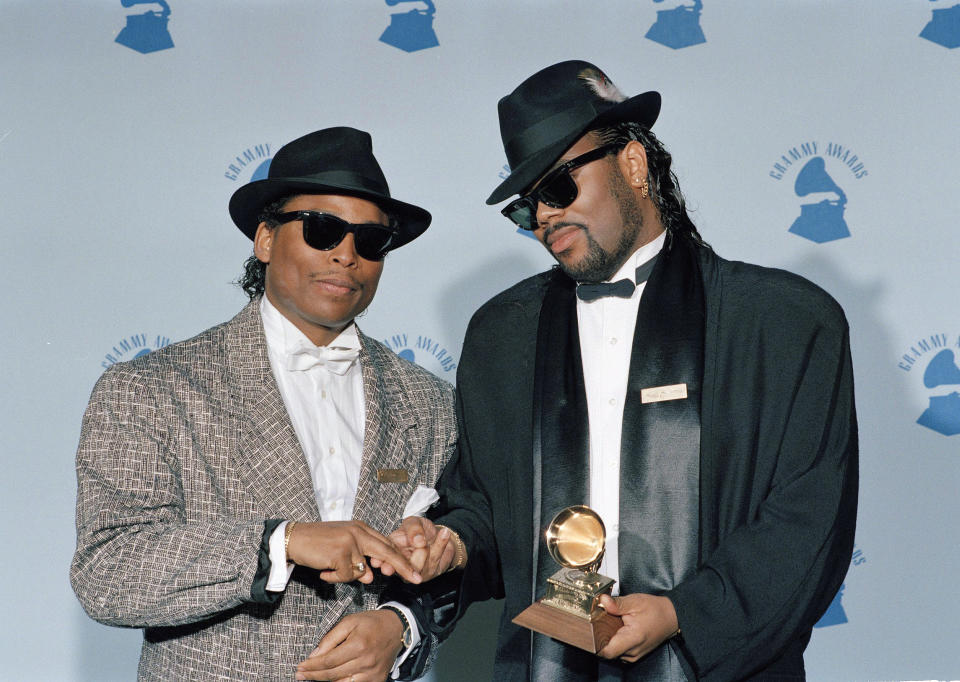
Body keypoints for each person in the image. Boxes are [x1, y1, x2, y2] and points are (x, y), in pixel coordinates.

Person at [386, 60, 859, 681]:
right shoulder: (502, 334)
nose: (545, 219)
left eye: (559, 189)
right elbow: (484, 506)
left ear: (634, 165)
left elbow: (806, 522)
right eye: (528, 209)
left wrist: (683, 613)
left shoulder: (786, 323)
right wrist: (452, 544)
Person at [70, 127, 457, 682]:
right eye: (323, 230)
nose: (346, 255)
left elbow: (452, 557)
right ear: (266, 240)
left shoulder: (431, 403)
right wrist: (282, 542)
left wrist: (403, 627)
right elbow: (108, 575)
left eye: (370, 241)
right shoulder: (151, 389)